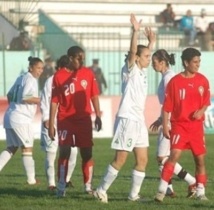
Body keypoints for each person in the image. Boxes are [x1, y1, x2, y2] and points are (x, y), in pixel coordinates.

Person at [93, 13, 156, 203]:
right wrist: (135, 32)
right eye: (146, 56)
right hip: (127, 118)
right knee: (121, 158)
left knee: (143, 160)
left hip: (138, 120)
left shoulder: (142, 69)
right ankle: (101, 190)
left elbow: (140, 53)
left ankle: (133, 195)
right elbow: (133, 51)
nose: (149, 59)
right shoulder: (130, 68)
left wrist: (151, 42)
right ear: (136, 58)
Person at [154, 47, 210, 202]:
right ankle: (161, 191)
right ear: (186, 63)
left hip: (196, 127)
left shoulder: (203, 80)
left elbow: (206, 101)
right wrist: (165, 125)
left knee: (200, 160)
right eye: (195, 62)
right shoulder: (175, 82)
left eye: (199, 61)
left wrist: (201, 110)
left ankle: (200, 191)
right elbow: (167, 107)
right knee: (173, 156)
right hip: (179, 126)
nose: (198, 64)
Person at [48, 46, 102, 197]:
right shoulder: (59, 76)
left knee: (87, 153)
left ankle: (88, 186)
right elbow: (54, 101)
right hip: (65, 119)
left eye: (83, 58)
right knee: (64, 151)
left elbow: (94, 95)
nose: (82, 61)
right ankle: (61, 186)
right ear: (70, 58)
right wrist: (51, 123)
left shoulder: (88, 73)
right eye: (79, 58)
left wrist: (97, 115)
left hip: (84, 119)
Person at [150, 49, 196, 198]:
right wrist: (159, 119)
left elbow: (173, 102)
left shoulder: (169, 78)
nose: (152, 65)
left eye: (154, 62)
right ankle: (169, 190)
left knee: (163, 158)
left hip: (169, 120)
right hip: (166, 118)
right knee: (162, 159)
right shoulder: (166, 76)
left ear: (163, 62)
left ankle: (191, 181)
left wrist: (166, 121)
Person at [0, 56, 44, 184]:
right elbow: (26, 97)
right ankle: (31, 180)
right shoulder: (31, 80)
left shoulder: (21, 78)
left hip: (11, 116)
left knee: (11, 147)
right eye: (38, 68)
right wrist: (43, 100)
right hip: (21, 119)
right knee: (27, 147)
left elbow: (9, 94)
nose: (40, 71)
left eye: (42, 68)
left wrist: (14, 107)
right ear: (31, 68)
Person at [40, 55, 78, 191]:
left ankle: (66, 179)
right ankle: (51, 184)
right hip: (52, 121)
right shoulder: (51, 81)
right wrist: (46, 119)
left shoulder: (72, 81)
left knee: (73, 151)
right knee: (51, 153)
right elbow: (45, 101)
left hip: (67, 122)